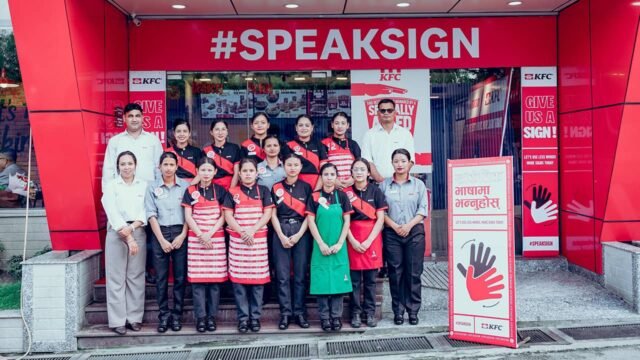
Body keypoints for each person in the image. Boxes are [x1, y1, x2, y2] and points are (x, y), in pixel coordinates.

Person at [223, 158, 275, 333]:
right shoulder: (232, 192)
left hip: (257, 241)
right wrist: (242, 232)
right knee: (239, 283)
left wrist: (252, 230)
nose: (247, 174)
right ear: (239, 174)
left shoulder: (264, 191)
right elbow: (228, 216)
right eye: (244, 171)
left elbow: (267, 213)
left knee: (257, 282)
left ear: (257, 173)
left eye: (251, 171)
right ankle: (243, 319)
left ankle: (255, 317)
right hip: (238, 242)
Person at [379, 149, 428, 326]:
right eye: (396, 161)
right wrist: (395, 226)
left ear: (410, 163)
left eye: (403, 161)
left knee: (414, 273)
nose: (400, 164)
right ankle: (398, 311)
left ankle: (413, 311)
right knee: (395, 273)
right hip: (392, 233)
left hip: (414, 231)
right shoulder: (384, 186)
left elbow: (423, 211)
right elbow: (380, 212)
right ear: (392, 163)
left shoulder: (418, 185)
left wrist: (407, 226)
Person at [100, 151, 147, 335]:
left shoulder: (143, 186)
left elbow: (145, 210)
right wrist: (127, 236)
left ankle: (134, 318)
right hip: (116, 233)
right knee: (116, 277)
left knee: (135, 276)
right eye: (123, 164)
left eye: (130, 163)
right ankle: (118, 320)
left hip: (138, 231)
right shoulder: (111, 186)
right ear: (118, 166)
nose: (126, 167)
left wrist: (132, 229)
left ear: (135, 165)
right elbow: (111, 211)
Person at [182, 157, 229, 333]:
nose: (206, 173)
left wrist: (209, 234)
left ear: (215, 172)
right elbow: (188, 216)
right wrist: (201, 234)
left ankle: (211, 317)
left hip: (215, 239)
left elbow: (224, 216)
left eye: (210, 170)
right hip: (196, 239)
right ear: (197, 171)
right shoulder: (190, 191)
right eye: (203, 170)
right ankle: (200, 318)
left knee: (215, 283)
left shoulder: (221, 191)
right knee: (198, 282)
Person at [144, 152, 189, 333]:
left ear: (177, 166)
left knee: (179, 277)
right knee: (161, 278)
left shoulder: (184, 186)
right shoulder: (152, 187)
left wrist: (182, 236)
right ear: (159, 167)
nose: (168, 168)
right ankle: (163, 316)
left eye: (172, 165)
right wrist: (161, 240)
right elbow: (150, 214)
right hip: (159, 233)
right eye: (165, 165)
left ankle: (177, 315)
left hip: (180, 233)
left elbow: (189, 214)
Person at [306, 163, 353, 332]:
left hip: (339, 247)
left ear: (336, 177)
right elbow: (311, 221)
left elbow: (347, 221)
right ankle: (325, 318)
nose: (329, 177)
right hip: (320, 245)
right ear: (321, 177)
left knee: (339, 283)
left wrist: (340, 243)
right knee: (321, 283)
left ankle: (336, 317)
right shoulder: (314, 197)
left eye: (332, 174)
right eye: (325, 174)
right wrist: (320, 243)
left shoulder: (343, 196)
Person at [270, 153, 313, 330]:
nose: (292, 168)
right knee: (282, 276)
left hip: (301, 230)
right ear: (283, 166)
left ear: (300, 167)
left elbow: (310, 214)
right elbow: (271, 213)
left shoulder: (306, 187)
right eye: (289, 164)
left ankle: (300, 312)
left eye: (296, 165)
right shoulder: (276, 187)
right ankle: (285, 313)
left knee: (301, 275)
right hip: (280, 229)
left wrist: (298, 235)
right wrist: (280, 234)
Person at [344, 158, 387, 328]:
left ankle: (369, 313)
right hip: (351, 236)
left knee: (370, 280)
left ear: (369, 173)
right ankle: (355, 313)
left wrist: (369, 240)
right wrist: (352, 240)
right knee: (354, 281)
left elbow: (381, 219)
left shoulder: (376, 191)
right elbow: (343, 220)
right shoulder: (345, 193)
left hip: (372, 238)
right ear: (351, 173)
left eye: (363, 169)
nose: (359, 172)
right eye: (356, 169)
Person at [102, 103, 163, 189]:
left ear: (142, 118)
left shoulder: (153, 140)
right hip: (122, 191)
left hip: (148, 191)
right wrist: (107, 192)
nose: (134, 119)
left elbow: (159, 168)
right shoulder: (115, 141)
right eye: (130, 116)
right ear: (124, 118)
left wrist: (160, 190)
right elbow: (108, 170)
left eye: (137, 116)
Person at [360, 99, 415, 183]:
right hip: (376, 184)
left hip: (400, 183)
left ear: (395, 112)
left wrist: (397, 179)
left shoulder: (405, 134)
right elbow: (367, 161)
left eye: (389, 110)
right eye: (383, 110)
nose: (386, 113)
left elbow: (410, 160)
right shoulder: (369, 135)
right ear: (378, 113)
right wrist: (381, 181)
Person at [282, 115, 327, 190]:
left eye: (307, 125)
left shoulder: (319, 145)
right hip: (296, 187)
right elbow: (287, 170)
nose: (304, 128)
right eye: (300, 125)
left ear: (312, 127)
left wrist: (317, 190)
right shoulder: (288, 146)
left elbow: (324, 170)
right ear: (296, 128)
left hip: (317, 185)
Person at [321, 112, 361, 189]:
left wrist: (353, 179)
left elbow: (360, 164)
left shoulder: (353, 144)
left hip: (351, 186)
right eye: (336, 123)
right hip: (331, 186)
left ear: (348, 125)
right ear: (332, 125)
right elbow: (322, 166)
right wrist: (334, 180)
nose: (340, 126)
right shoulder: (324, 143)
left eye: (343, 123)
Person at [202, 119, 241, 190]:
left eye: (223, 129)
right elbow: (204, 173)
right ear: (211, 132)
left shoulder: (234, 148)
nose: (220, 132)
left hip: (232, 185)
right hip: (212, 187)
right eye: (217, 129)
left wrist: (231, 191)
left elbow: (236, 173)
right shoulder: (206, 150)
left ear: (227, 132)